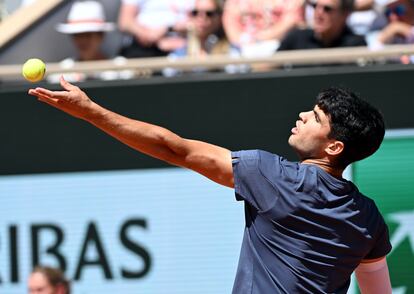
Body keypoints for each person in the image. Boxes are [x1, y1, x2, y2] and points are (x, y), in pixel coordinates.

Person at [28, 78, 393, 293]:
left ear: (334, 147)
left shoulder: (272, 175)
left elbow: (173, 148)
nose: (301, 115)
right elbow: (377, 289)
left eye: (314, 117)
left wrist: (90, 110)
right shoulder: (368, 219)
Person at [223, 0, 305, 57]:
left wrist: (261, 38)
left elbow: (292, 20)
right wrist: (243, 40)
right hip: (241, 46)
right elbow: (230, 20)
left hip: (277, 45)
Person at [278, 0, 367, 51]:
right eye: (315, 6)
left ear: (345, 14)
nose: (318, 13)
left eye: (327, 9)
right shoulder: (296, 38)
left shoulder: (356, 46)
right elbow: (269, 68)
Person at [117, 0, 194, 58]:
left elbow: (201, 17)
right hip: (145, 48)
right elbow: (125, 22)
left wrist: (168, 29)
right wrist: (155, 39)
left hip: (187, 48)